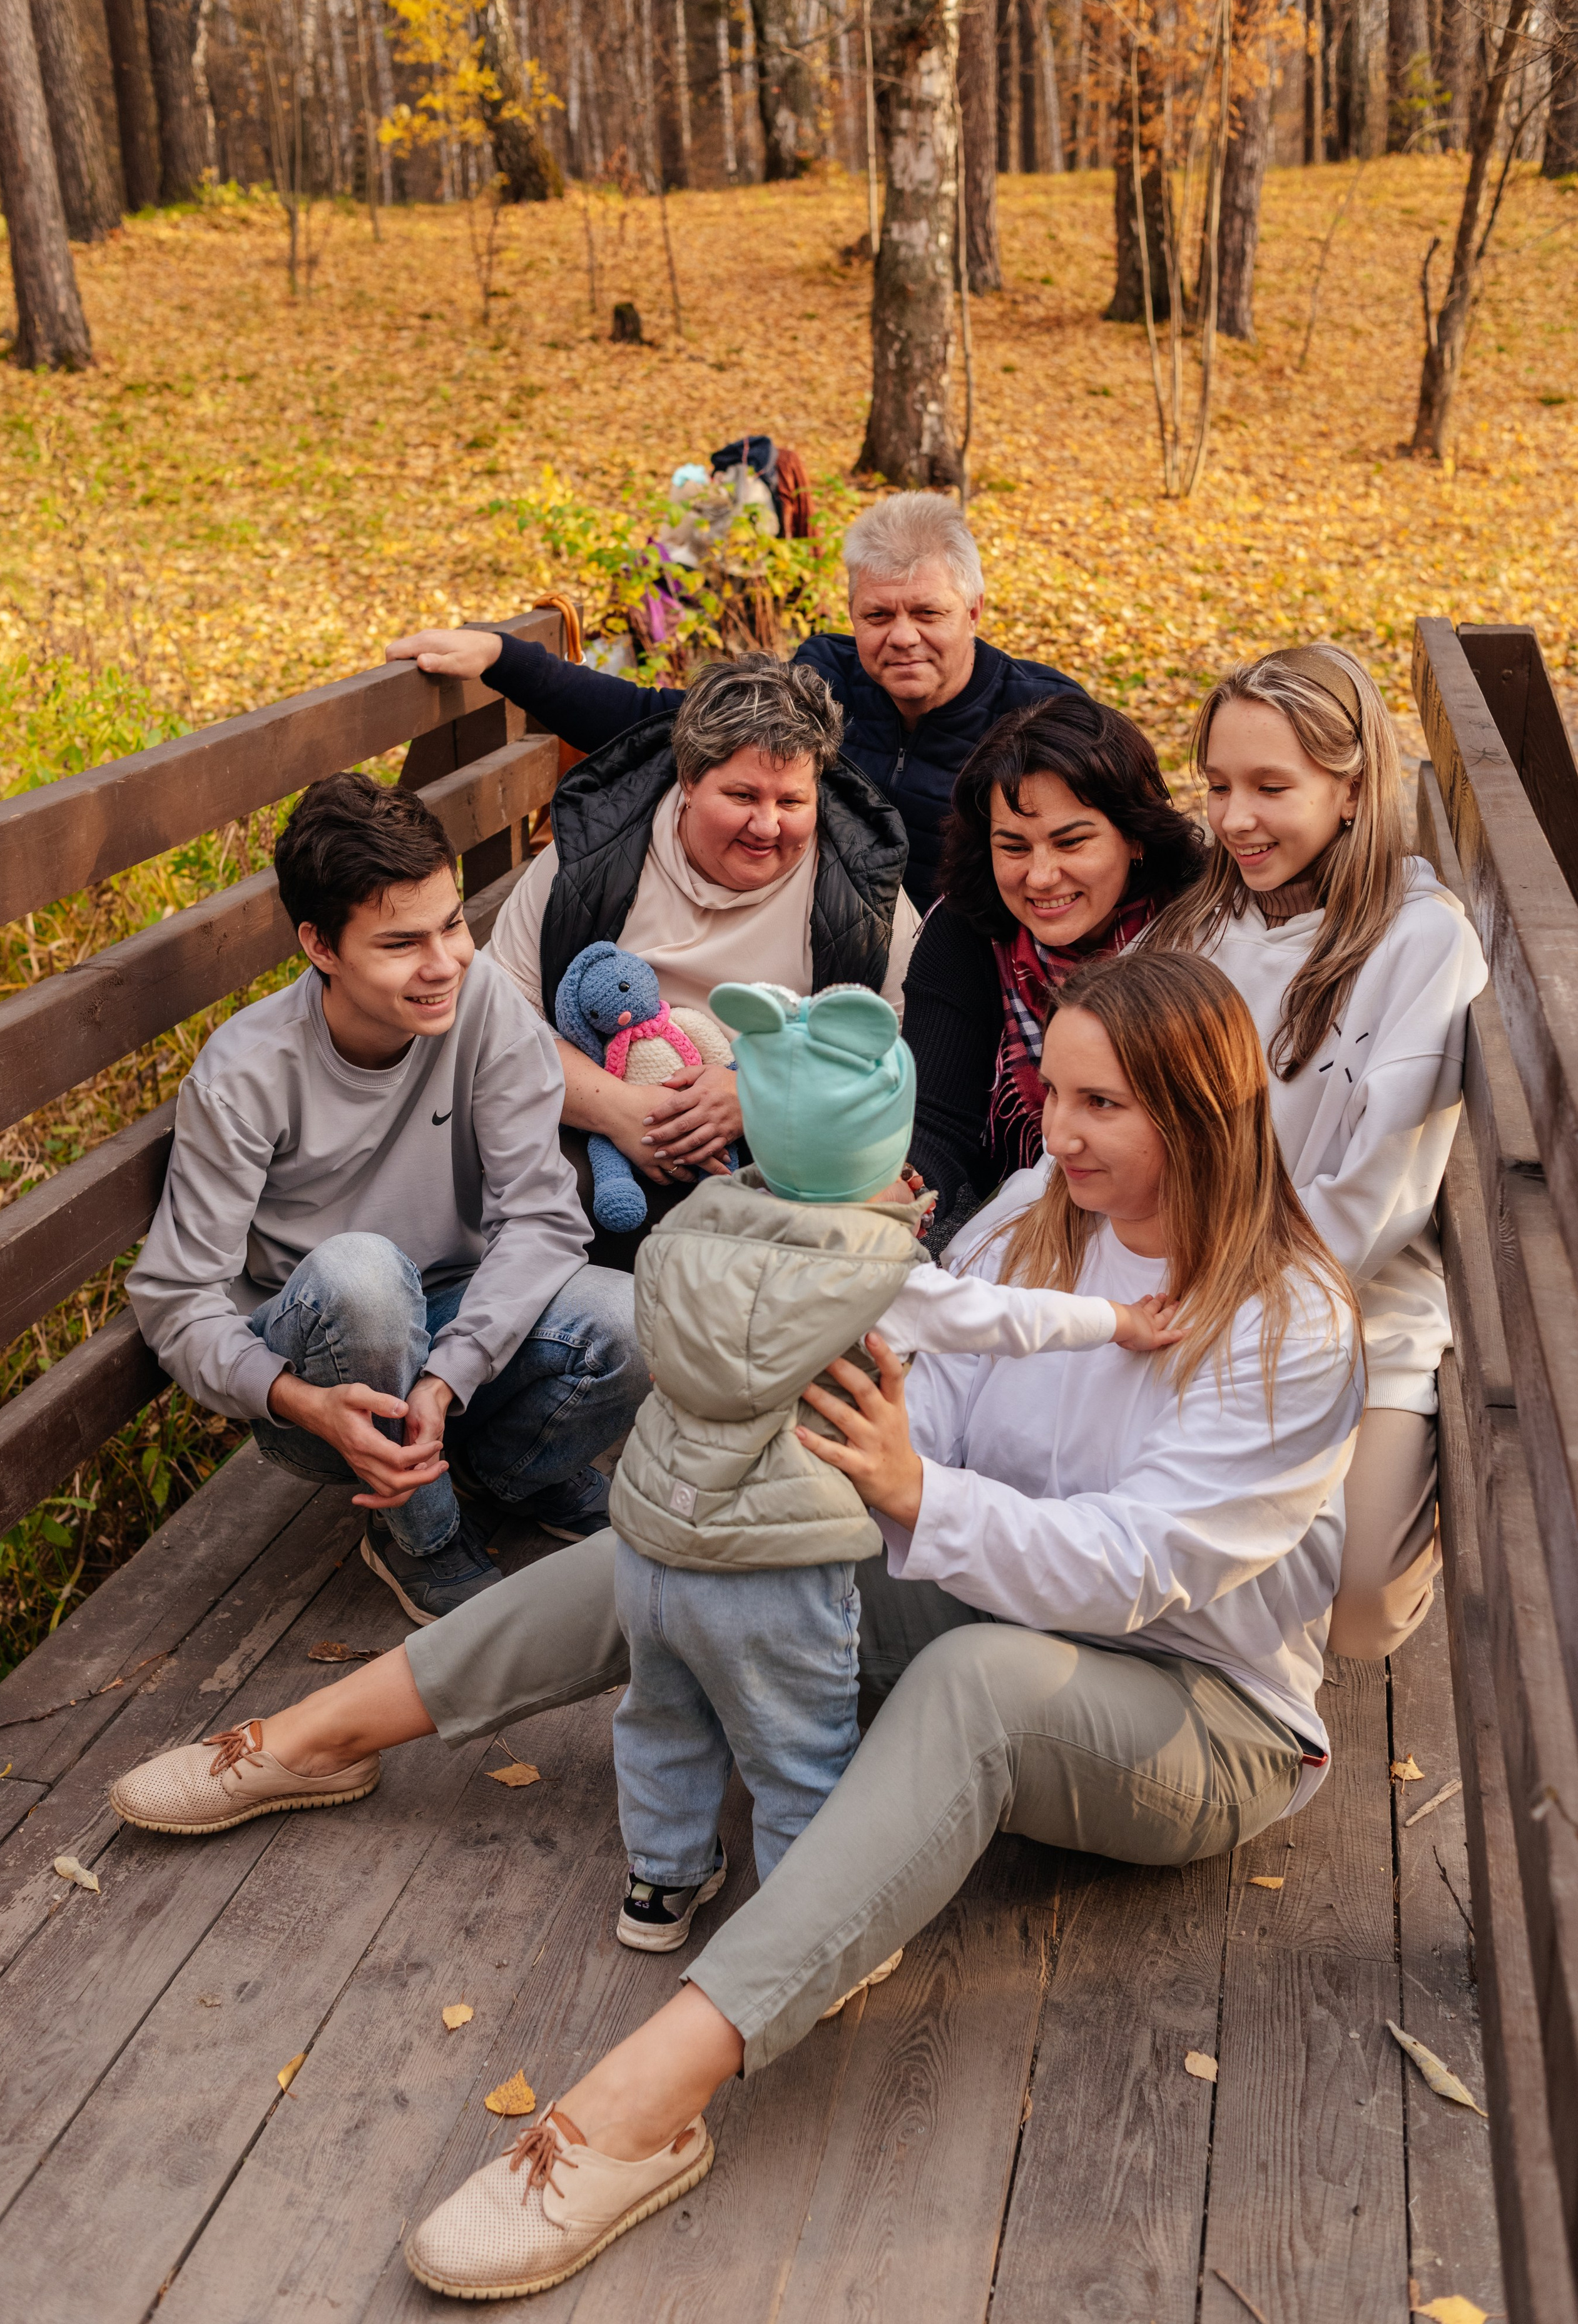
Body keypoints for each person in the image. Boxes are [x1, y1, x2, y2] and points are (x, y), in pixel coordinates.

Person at [109, 950, 1362, 2304]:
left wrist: (906, 1486)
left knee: (977, 1683)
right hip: (984, 1576)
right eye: (1049, 1092)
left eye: (1101, 1105)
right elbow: (911, 1414)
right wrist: (819, 1442)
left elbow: (1139, 1569)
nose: (1057, 1132)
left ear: (1201, 1109)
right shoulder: (1030, 1219)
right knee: (697, 1531)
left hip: (1202, 1710)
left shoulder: (1291, 1323)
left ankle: (646, 2100)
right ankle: (320, 1738)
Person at [608, 976, 1183, 1954]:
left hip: (650, 1545)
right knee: (799, 1751)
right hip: (774, 1564)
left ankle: (660, 1885)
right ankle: (802, 1926)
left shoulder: (689, 1228)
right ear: (881, 1143)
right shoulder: (884, 1279)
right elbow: (1006, 1317)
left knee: (661, 1718)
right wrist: (1119, 1319)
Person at [120, 774, 648, 1650]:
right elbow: (177, 1299)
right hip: (327, 1377)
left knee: (633, 1321)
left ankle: (504, 1471)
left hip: (456, 1323)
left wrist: (447, 1379)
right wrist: (295, 1398)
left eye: (451, 923)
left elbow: (543, 1219)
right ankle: (423, 1536)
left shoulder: (484, 1008)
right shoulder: (249, 1070)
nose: (443, 961)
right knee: (363, 1276)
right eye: (401, 942)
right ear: (321, 945)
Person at [1145, 642, 1488, 1660]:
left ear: (1351, 788)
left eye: (1270, 787)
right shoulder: (1197, 931)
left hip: (1352, 1308)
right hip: (1181, 1294)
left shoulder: (1421, 941)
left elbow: (1377, 1196)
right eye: (1216, 786)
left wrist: (1240, 1315)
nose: (1235, 818)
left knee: (1363, 1611)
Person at [385, 491, 1082, 912]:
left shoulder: (1039, 716)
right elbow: (663, 721)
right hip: (812, 952)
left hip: (971, 972)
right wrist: (506, 659)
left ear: (974, 609)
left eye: (927, 613)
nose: (902, 637)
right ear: (851, 610)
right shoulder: (821, 681)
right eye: (877, 616)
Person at [487, 654, 919, 1264]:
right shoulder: (591, 859)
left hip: (778, 1154)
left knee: (874, 1218)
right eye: (741, 795)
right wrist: (621, 1111)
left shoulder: (861, 891)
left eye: (792, 800)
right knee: (537, 1189)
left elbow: (887, 1053)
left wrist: (760, 1098)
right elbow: (500, 1019)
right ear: (687, 781)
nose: (766, 826)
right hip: (596, 1133)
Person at [904, 691, 1206, 1241]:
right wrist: (906, 1185)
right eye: (1014, 847)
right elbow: (935, 1119)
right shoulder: (966, 929)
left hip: (1183, 1215)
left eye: (1071, 841)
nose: (1041, 877)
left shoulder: (1205, 923)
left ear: (1134, 834)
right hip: (1023, 1212)